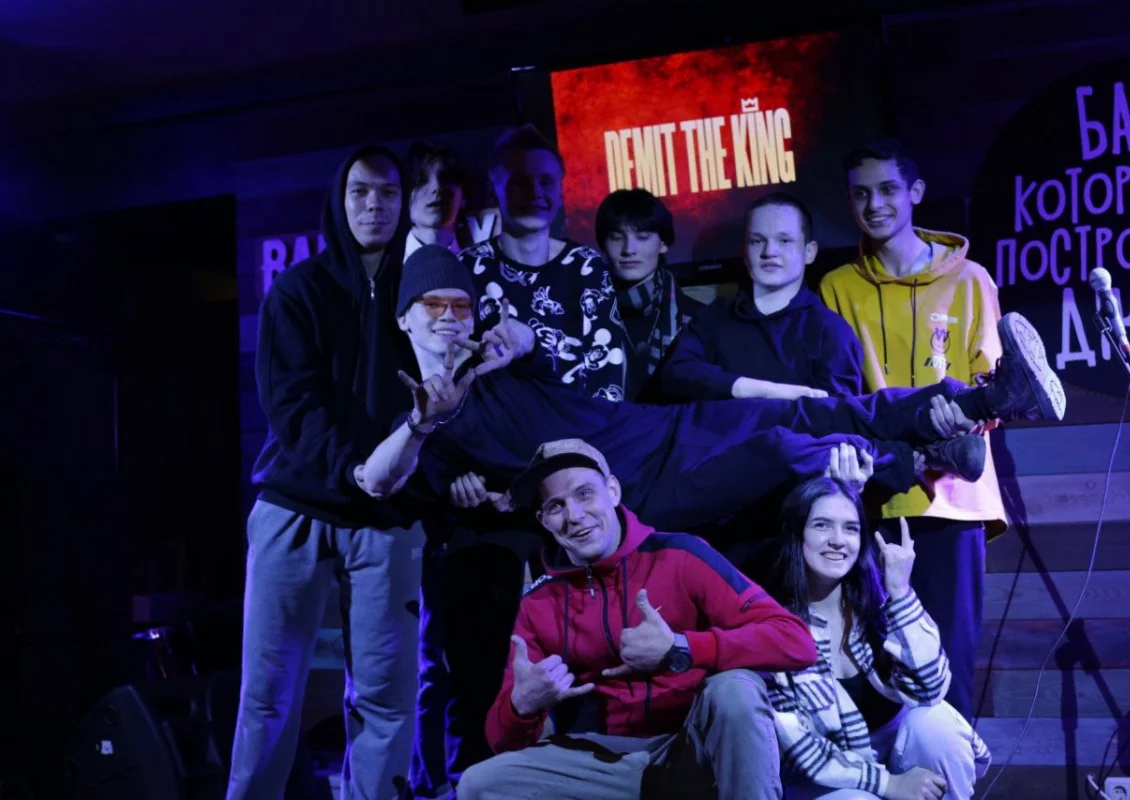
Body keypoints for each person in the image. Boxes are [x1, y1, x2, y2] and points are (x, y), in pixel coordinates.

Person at [360, 246, 1065, 536]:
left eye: (460, 304)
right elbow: (375, 481)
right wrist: (423, 427)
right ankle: (919, 456)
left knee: (810, 408)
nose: (449, 318)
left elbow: (528, 342)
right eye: (433, 306)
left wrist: (517, 337)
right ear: (404, 318)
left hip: (665, 428)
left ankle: (984, 401)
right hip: (641, 493)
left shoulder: (501, 360)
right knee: (784, 449)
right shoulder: (421, 422)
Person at [453, 437, 820, 799]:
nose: (574, 516)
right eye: (556, 506)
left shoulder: (680, 556)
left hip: (694, 752)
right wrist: (522, 707)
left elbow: (796, 641)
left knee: (736, 689)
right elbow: (503, 742)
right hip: (608, 765)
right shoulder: (539, 603)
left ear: (612, 491)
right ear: (543, 521)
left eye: (584, 494)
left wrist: (681, 648)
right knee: (479, 784)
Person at [227, 145, 425, 800]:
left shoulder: (424, 293)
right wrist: (355, 471)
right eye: (360, 191)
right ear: (339, 201)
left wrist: (389, 479)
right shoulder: (297, 290)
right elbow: (292, 408)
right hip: (296, 505)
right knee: (267, 697)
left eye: (388, 192)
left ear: (404, 201)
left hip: (386, 514)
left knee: (386, 699)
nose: (374, 205)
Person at [819, 138, 1020, 718]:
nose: (874, 204)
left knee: (947, 662)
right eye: (861, 194)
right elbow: (839, 394)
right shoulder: (836, 287)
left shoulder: (971, 280)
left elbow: (991, 388)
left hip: (952, 500)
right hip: (872, 495)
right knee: (875, 663)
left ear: (916, 193)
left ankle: (951, 767)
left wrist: (960, 421)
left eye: (887, 190)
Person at [765, 477, 990, 799]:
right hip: (828, 780)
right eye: (822, 525)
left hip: (896, 758)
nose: (838, 540)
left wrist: (900, 591)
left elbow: (930, 688)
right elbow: (799, 747)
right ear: (797, 533)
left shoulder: (877, 608)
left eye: (850, 528)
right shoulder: (773, 628)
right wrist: (888, 784)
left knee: (935, 722)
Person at [460, 123, 627, 401]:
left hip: (577, 423)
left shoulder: (586, 267)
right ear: (494, 189)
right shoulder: (467, 267)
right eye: (520, 183)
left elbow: (606, 376)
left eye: (546, 182)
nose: (535, 193)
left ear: (560, 192)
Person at [659, 192, 863, 402]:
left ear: (809, 252)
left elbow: (838, 412)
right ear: (744, 251)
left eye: (784, 240)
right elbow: (675, 374)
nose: (769, 251)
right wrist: (761, 390)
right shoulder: (713, 317)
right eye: (757, 241)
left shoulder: (830, 331)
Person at [595, 188, 702, 401]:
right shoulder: (588, 314)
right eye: (616, 237)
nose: (628, 249)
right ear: (603, 245)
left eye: (642, 237)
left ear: (663, 244)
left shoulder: (698, 318)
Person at [403, 141, 471, 261]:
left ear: (463, 195)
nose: (437, 187)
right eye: (421, 180)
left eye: (446, 179)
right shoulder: (387, 267)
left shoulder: (478, 265)